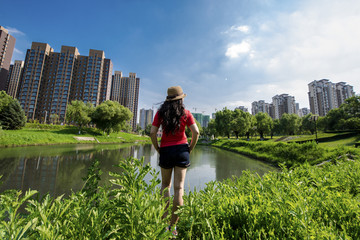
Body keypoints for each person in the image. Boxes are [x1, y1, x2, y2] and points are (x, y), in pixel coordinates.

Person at [150, 86, 199, 235]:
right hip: (182, 151)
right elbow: (196, 132)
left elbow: (152, 132)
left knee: (165, 186)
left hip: (165, 150)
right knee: (179, 188)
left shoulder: (160, 113)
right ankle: (173, 228)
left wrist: (158, 148)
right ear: (181, 99)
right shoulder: (186, 112)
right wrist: (190, 148)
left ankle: (164, 225)